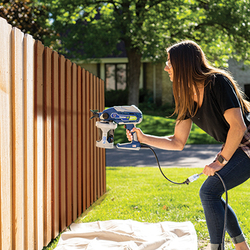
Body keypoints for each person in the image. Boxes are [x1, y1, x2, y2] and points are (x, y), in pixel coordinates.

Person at [126, 40, 250, 250]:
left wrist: (219, 161)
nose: (166, 67)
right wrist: (144, 137)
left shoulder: (217, 82)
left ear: (184, 63)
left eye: (169, 62)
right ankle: (241, 247)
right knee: (212, 192)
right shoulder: (185, 96)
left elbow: (238, 127)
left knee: (209, 192)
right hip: (235, 145)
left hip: (246, 142)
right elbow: (177, 142)